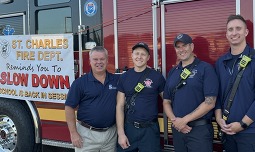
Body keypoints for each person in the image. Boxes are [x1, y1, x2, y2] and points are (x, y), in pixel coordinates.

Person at [163, 33, 219, 152]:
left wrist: (184, 120)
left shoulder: (205, 68)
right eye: (178, 47)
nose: (181, 49)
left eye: (184, 45)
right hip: (178, 130)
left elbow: (210, 102)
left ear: (192, 47)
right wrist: (176, 122)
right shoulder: (172, 72)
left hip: (200, 132)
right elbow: (166, 101)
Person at [65, 46, 119, 152]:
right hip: (86, 135)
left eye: (102, 59)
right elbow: (69, 108)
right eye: (95, 59)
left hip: (110, 135)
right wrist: (73, 133)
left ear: (107, 60)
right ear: (90, 61)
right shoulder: (80, 83)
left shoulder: (116, 80)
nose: (99, 62)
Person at [215, 14, 255, 152]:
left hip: (250, 133)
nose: (234, 33)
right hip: (227, 131)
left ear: (246, 32)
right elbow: (218, 94)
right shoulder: (220, 63)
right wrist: (219, 119)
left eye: (238, 28)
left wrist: (243, 124)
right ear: (226, 34)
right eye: (230, 29)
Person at [116, 42, 165, 152]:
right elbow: (119, 106)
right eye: (137, 53)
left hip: (150, 131)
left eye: (143, 54)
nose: (139, 57)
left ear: (148, 57)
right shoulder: (124, 77)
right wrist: (121, 133)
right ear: (132, 55)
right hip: (129, 129)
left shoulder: (157, 77)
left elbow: (166, 101)